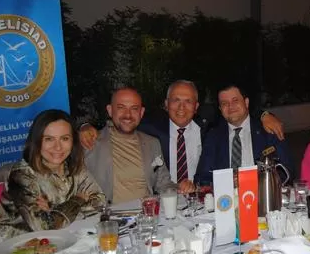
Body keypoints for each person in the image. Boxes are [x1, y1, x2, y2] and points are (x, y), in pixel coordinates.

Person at [80, 80, 285, 190]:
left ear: (196, 107)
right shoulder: (151, 128)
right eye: (175, 100)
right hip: (164, 200)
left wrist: (264, 114)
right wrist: (85, 126)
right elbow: (123, 119)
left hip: (201, 199)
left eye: (188, 102)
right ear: (166, 104)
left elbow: (235, 112)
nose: (181, 107)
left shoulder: (209, 128)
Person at [0, 109, 106, 246]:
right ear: (37, 141)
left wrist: (54, 210)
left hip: (58, 240)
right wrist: (78, 200)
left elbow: (99, 203)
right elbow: (44, 227)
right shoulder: (22, 175)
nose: (58, 147)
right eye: (49, 139)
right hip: (11, 247)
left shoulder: (74, 166)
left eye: (64, 138)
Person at [85, 87, 177, 204]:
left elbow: (164, 183)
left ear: (141, 113)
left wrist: (180, 189)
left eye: (134, 108)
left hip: (147, 212)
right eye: (121, 107)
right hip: (110, 214)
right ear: (110, 110)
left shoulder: (152, 143)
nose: (128, 115)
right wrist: (82, 126)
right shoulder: (91, 142)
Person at [194, 85, 294, 185]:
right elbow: (202, 177)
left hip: (262, 192)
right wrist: (225, 181)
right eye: (224, 103)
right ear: (220, 109)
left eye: (235, 100)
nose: (230, 106)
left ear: (246, 102)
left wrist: (251, 180)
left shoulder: (268, 130)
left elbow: (287, 171)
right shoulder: (213, 136)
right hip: (226, 194)